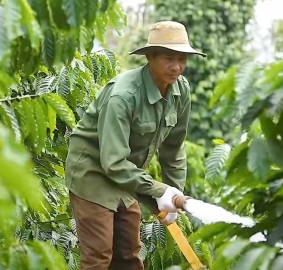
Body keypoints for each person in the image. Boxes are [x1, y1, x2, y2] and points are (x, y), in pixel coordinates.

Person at [65, 20, 206, 270]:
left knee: (129, 257)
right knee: (99, 257)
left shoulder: (181, 90)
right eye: (168, 58)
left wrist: (174, 194)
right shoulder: (123, 96)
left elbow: (173, 149)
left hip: (127, 175)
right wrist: (158, 190)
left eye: (182, 59)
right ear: (150, 57)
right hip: (93, 173)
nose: (177, 67)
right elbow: (113, 162)